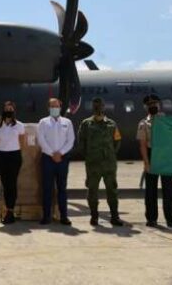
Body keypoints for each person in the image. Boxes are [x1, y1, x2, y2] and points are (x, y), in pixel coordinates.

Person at [77, 97, 124, 227]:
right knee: (92, 191)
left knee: (112, 190)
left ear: (104, 107)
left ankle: (114, 216)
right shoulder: (86, 124)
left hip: (109, 164)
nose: (98, 108)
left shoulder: (111, 124)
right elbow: (81, 142)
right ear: (93, 108)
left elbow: (117, 141)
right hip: (93, 164)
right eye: (96, 106)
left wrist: (110, 154)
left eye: (100, 106)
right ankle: (94, 216)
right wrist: (90, 156)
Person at [137, 94, 172, 228]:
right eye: (149, 104)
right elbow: (143, 145)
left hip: (166, 156)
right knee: (151, 191)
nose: (152, 106)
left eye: (154, 103)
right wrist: (146, 162)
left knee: (168, 190)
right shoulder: (143, 123)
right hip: (152, 156)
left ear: (159, 105)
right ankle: (151, 219)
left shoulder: (168, 122)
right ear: (146, 107)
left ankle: (171, 219)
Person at [36, 98, 75, 226]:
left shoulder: (67, 122)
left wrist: (60, 153)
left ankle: (64, 216)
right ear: (48, 108)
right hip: (48, 158)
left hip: (62, 159)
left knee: (62, 188)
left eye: (57, 106)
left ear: (60, 107)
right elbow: (41, 139)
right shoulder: (43, 122)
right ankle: (46, 216)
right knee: (47, 188)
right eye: (52, 106)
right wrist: (52, 153)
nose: (55, 108)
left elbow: (70, 140)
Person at [0, 101, 25, 225]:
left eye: (10, 109)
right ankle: (7, 209)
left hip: (14, 155)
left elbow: (22, 142)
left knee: (12, 183)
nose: (8, 111)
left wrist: (12, 147)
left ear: (14, 110)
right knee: (5, 184)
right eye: (6, 109)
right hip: (2, 155)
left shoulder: (19, 125)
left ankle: (10, 211)